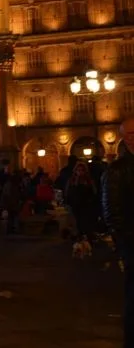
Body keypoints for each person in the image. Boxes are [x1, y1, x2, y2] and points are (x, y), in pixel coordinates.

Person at [102, 118, 134, 347]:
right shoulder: (117, 170)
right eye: (130, 132)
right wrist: (123, 241)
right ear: (124, 137)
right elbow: (111, 209)